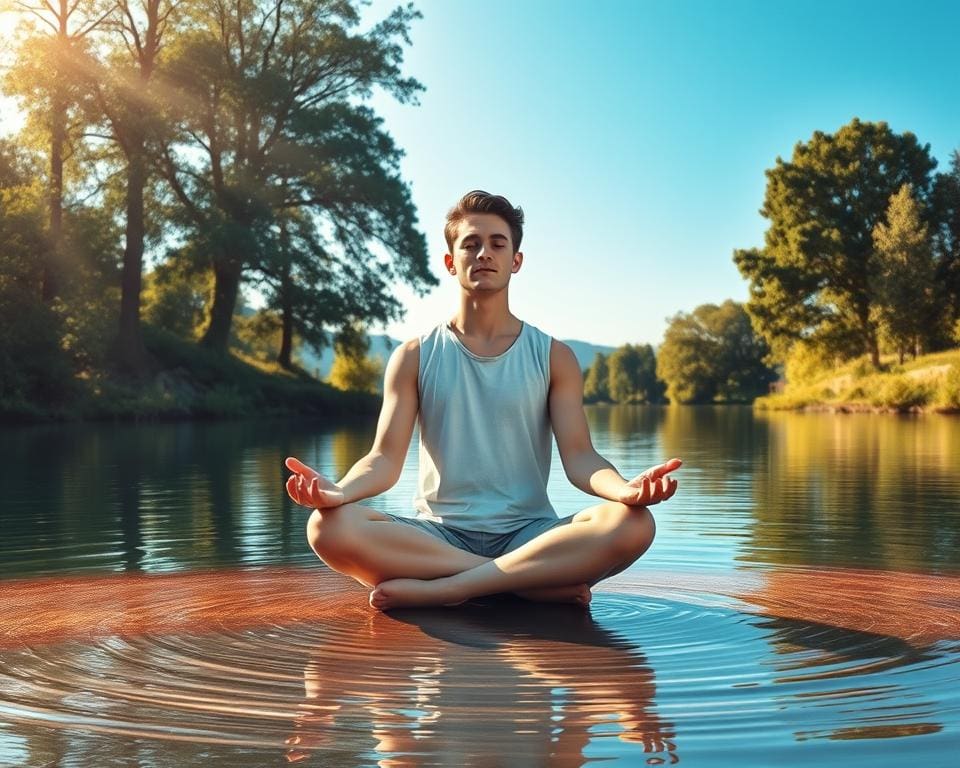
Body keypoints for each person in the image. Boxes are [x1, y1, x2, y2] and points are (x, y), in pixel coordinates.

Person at [285, 190, 681, 610]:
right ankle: (526, 579)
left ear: (516, 261)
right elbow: (382, 459)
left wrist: (625, 490)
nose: (484, 254)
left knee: (632, 524)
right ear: (451, 262)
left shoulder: (554, 356)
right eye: (470, 244)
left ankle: (452, 588)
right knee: (326, 529)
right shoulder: (414, 356)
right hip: (438, 536)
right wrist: (339, 492)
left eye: (497, 243)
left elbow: (582, 458)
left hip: (531, 533)